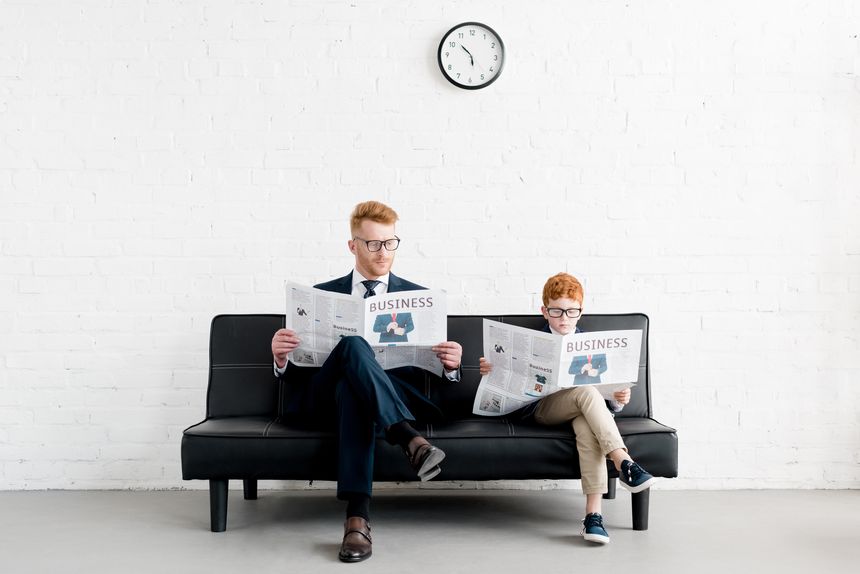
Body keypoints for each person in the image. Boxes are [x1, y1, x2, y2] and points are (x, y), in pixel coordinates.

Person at [271, 200, 462, 563]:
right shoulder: (320, 295)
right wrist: (281, 358)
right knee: (353, 346)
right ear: (353, 245)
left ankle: (357, 520)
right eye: (373, 243)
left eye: (390, 243)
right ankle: (410, 439)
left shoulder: (418, 298)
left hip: (383, 396)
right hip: (323, 398)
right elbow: (300, 371)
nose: (383, 252)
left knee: (354, 391)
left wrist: (452, 365)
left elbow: (441, 380)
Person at [478, 272, 657, 545]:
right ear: (544, 311)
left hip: (582, 411)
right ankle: (624, 462)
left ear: (580, 312)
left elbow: (610, 401)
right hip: (543, 410)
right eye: (557, 310)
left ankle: (593, 517)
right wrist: (494, 370)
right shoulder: (531, 340)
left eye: (571, 311)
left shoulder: (592, 346)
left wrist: (619, 397)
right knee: (585, 392)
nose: (564, 318)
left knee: (587, 426)